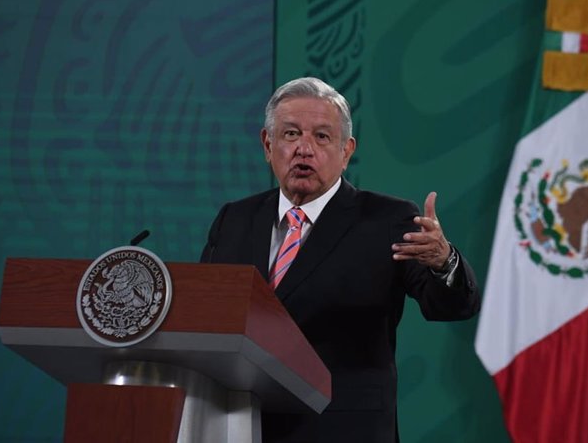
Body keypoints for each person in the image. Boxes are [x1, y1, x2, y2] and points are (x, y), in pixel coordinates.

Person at [200, 77, 480, 443]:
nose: (304, 149)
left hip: (343, 430)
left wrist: (444, 262)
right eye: (290, 134)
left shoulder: (387, 220)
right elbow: (206, 318)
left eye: (321, 137)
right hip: (242, 427)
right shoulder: (234, 219)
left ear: (346, 151)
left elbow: (450, 305)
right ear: (268, 145)